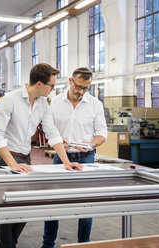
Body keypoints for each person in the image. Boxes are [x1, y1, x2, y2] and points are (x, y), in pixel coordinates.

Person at [0, 63, 83, 248]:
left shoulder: (42, 104)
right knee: (8, 209)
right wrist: (12, 165)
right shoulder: (10, 100)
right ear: (39, 84)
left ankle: (11, 243)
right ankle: (7, 245)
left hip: (25, 158)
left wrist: (66, 162)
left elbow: (52, 132)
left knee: (26, 207)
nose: (53, 89)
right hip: (8, 157)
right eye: (51, 85)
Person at [42, 67, 108, 248]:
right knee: (53, 203)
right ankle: (48, 244)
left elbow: (102, 133)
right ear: (70, 81)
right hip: (61, 158)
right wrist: (56, 142)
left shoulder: (95, 104)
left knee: (86, 204)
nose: (81, 92)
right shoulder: (55, 102)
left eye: (85, 88)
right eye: (78, 87)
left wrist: (91, 144)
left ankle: (83, 244)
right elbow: (49, 129)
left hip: (86, 158)